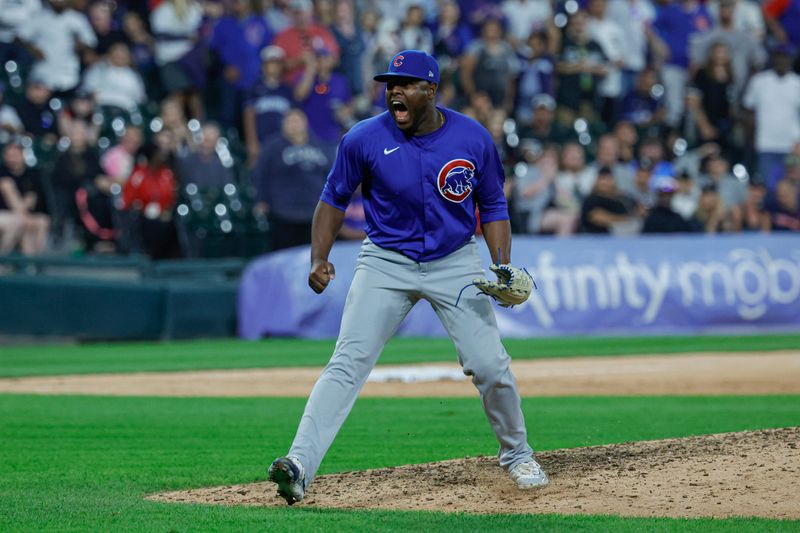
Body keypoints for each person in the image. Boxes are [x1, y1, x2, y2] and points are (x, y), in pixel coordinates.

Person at [267, 50, 548, 506]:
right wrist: (319, 257)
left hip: (455, 259)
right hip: (385, 260)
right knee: (347, 362)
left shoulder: (471, 137)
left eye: (406, 82)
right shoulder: (363, 138)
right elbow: (333, 198)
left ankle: (517, 455)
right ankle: (299, 464)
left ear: (431, 90)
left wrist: (501, 264)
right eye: (389, 83)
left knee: (490, 364)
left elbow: (493, 205)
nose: (393, 90)